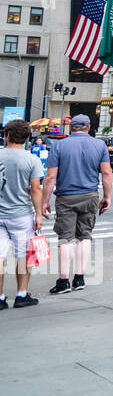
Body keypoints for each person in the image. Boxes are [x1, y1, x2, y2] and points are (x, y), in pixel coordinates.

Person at [43, 114, 113, 294]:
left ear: (71, 128)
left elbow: (50, 177)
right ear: (88, 127)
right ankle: (80, 278)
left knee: (65, 238)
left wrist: (44, 201)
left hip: (66, 197)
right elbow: (106, 173)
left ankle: (63, 281)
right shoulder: (99, 145)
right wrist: (107, 196)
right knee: (85, 236)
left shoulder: (59, 145)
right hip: (90, 195)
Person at [0, 120, 43, 309]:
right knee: (24, 255)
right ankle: (21, 295)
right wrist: (39, 214)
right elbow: (35, 189)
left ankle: (0, 298)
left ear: (7, 135)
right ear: (26, 138)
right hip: (21, 215)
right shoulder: (31, 159)